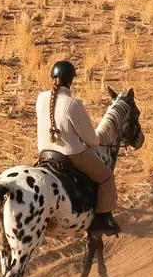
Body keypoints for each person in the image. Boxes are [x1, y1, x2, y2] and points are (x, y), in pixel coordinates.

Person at [36, 60, 120, 237]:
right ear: (70, 81)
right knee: (106, 178)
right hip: (71, 155)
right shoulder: (73, 104)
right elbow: (92, 140)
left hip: (45, 154)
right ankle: (101, 221)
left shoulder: (41, 98)